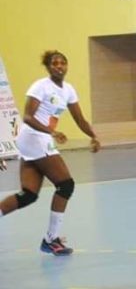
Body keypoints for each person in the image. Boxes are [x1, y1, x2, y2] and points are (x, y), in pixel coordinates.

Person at [0, 51, 100, 256]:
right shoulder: (40, 86)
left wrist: (93, 135)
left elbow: (79, 119)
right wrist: (52, 131)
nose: (59, 66)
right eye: (54, 63)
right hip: (35, 137)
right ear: (47, 66)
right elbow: (27, 116)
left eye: (63, 62)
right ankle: (51, 239)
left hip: (37, 140)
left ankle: (50, 240)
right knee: (66, 185)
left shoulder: (68, 90)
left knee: (28, 195)